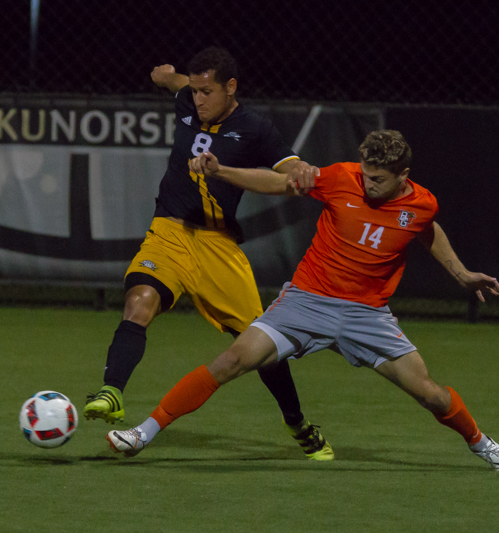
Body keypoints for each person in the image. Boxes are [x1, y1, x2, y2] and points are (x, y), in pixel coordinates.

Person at [105, 130, 499, 472]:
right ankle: (143, 433)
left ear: (403, 175)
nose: (368, 183)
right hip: (307, 301)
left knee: (431, 394)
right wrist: (223, 171)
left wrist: (462, 274)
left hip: (367, 315)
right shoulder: (342, 177)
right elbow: (280, 182)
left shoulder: (422, 203)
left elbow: (427, 229)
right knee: (232, 360)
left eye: (378, 179)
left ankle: (481, 443)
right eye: (366, 174)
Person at [83, 46, 333, 460]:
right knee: (139, 300)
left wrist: (303, 171)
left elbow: (290, 168)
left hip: (219, 247)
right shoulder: (188, 98)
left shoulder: (254, 129)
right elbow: (177, 82)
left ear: (230, 88)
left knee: (261, 346)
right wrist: (164, 75)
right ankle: (112, 392)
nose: (198, 99)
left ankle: (296, 422)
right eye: (194, 91)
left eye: (207, 92)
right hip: (169, 232)